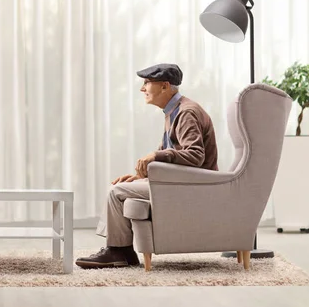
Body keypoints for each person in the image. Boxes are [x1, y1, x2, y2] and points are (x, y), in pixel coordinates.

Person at [75, 63, 218, 269]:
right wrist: (139, 178)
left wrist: (155, 155)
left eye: (147, 83)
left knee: (116, 192)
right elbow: (175, 157)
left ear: (164, 86)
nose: (142, 89)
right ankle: (121, 251)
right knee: (122, 188)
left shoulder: (186, 113)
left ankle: (119, 252)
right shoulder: (174, 111)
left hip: (193, 186)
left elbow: (195, 155)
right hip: (183, 181)